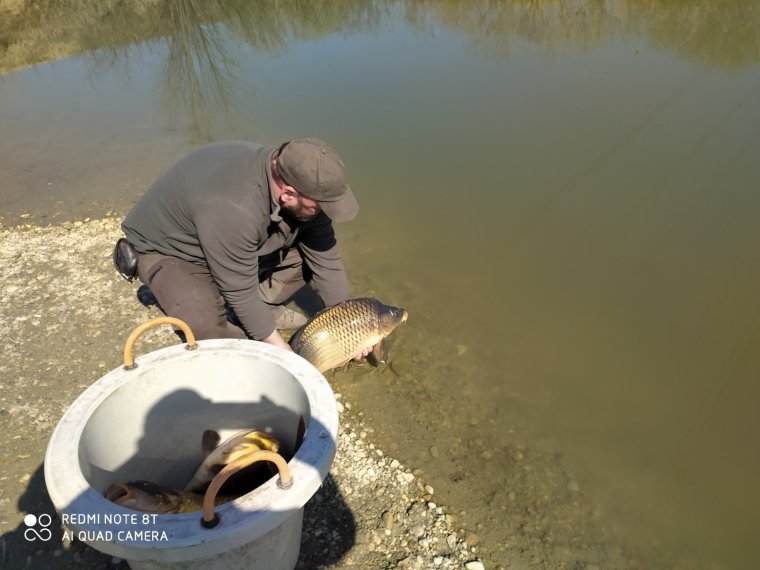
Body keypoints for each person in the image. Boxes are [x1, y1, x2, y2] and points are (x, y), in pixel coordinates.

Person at [119, 138, 365, 355]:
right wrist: (280, 349)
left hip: (226, 238)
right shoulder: (234, 208)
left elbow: (327, 260)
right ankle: (247, 329)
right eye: (320, 207)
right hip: (172, 252)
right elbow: (240, 291)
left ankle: (264, 307)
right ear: (288, 194)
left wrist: (348, 322)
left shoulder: (300, 181)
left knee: (307, 248)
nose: (324, 212)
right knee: (208, 328)